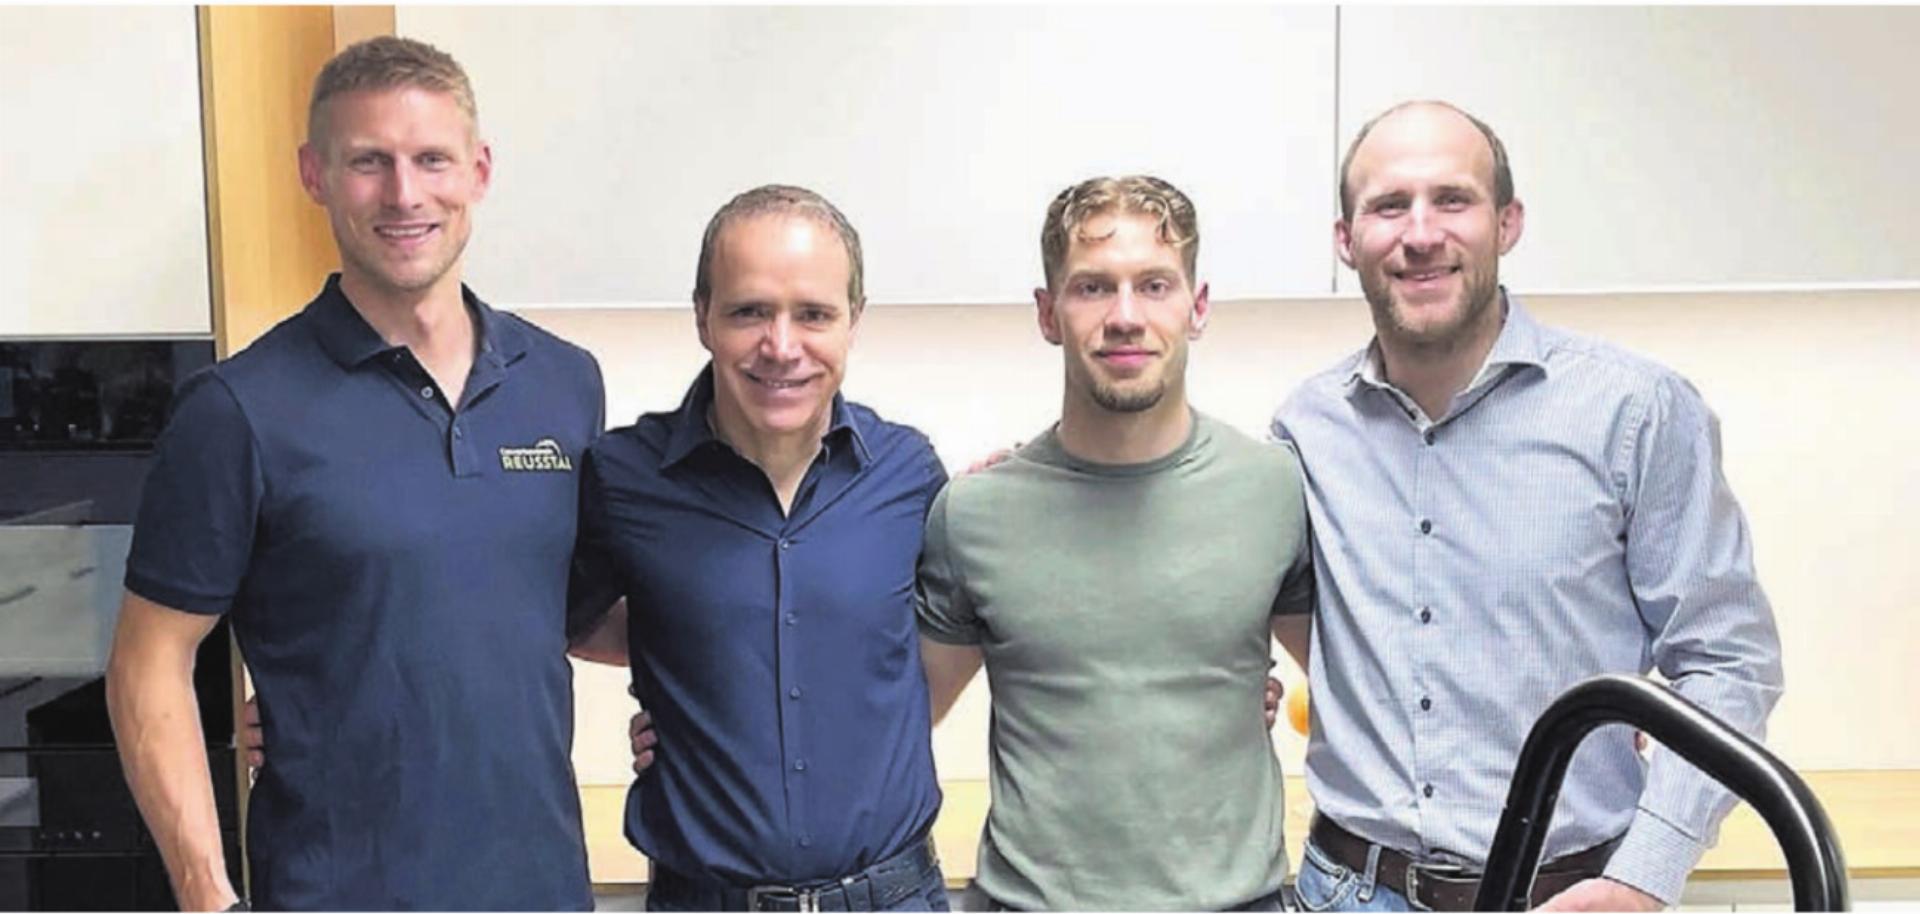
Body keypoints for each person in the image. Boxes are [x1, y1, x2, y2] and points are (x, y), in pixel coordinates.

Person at [106, 36, 604, 910]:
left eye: (431, 159)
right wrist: (205, 891)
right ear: (315, 174)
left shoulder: (563, 383)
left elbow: (567, 607)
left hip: (544, 888)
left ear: (479, 171)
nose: (405, 194)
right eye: (369, 162)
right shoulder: (238, 411)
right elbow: (150, 662)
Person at [1273, 100, 1785, 912]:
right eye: (1388, 206)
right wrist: (1040, 471)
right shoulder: (1306, 428)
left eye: (1453, 199)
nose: (1420, 233)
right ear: (1346, 241)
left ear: (1506, 222)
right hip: (1345, 890)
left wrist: (1642, 875)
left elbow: (1727, 660)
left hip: (1570, 896)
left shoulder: (1636, 411)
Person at [913, 175, 1315, 911]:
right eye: (1093, 288)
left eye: (1154, 285)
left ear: (1197, 308)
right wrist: (696, 735)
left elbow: (1371, 688)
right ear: (1048, 313)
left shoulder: (1275, 490)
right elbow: (899, 717)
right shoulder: (974, 513)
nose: (1125, 316)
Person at [566, 185, 953, 912]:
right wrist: (687, 675)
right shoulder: (624, 478)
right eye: (749, 311)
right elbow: (557, 616)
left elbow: (943, 634)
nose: (782, 346)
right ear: (703, 317)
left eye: (813, 314)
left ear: (852, 321)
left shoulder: (908, 474)